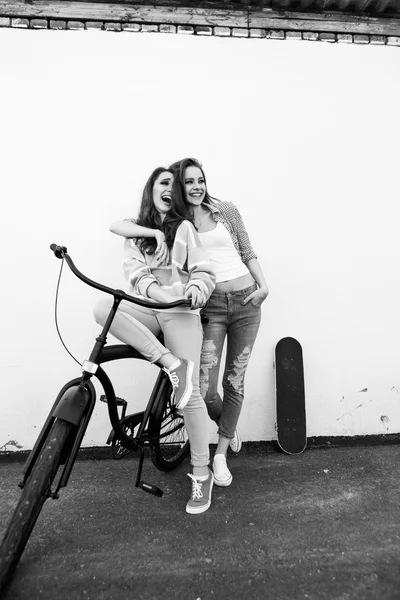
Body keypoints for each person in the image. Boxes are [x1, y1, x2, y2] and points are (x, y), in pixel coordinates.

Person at [110, 158, 269, 489]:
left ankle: (221, 452)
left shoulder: (226, 210)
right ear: (178, 189)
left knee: (234, 382)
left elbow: (246, 250)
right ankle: (226, 421)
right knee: (206, 388)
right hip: (209, 306)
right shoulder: (179, 222)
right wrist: (153, 231)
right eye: (189, 182)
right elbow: (124, 225)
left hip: (246, 301)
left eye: (201, 180)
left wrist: (263, 285)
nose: (196, 187)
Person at [94, 167, 216, 514]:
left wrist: (194, 289)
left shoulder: (186, 228)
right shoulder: (137, 233)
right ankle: (168, 362)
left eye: (173, 186)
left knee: (188, 394)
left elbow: (205, 271)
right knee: (104, 307)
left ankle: (201, 472)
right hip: (150, 305)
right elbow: (136, 274)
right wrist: (154, 238)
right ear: (151, 190)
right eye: (164, 183)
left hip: (181, 312)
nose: (170, 189)